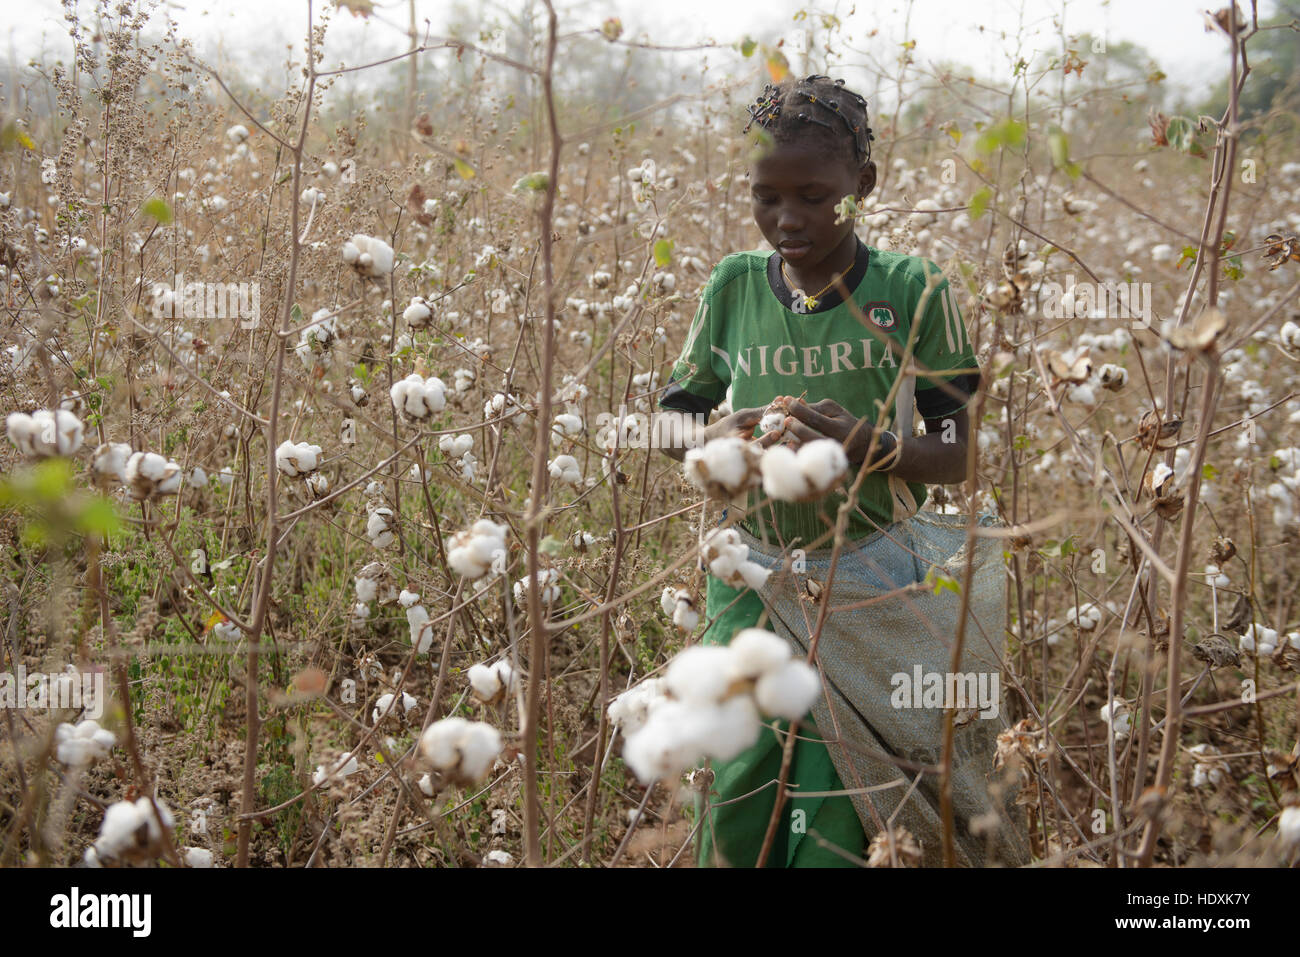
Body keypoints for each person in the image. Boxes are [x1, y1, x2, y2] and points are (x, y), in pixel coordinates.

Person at [655, 75, 1005, 868]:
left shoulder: (913, 290)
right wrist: (721, 439)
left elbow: (959, 454)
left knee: (849, 787)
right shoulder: (733, 287)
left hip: (875, 574)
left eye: (815, 196)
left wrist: (874, 447)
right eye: (766, 197)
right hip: (751, 574)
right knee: (743, 774)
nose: (788, 220)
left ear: (863, 186)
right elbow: (668, 426)